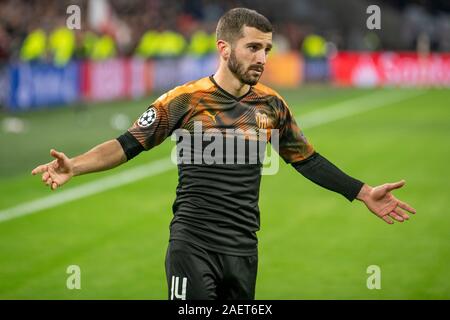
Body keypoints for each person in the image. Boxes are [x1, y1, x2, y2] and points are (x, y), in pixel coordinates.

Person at [31, 8, 416, 300]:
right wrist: (74, 166)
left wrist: (362, 191)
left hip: (244, 250)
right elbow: (127, 143)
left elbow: (307, 160)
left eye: (266, 48)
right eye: (253, 47)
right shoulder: (184, 100)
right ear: (224, 48)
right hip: (192, 246)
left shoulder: (271, 106)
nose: (262, 58)